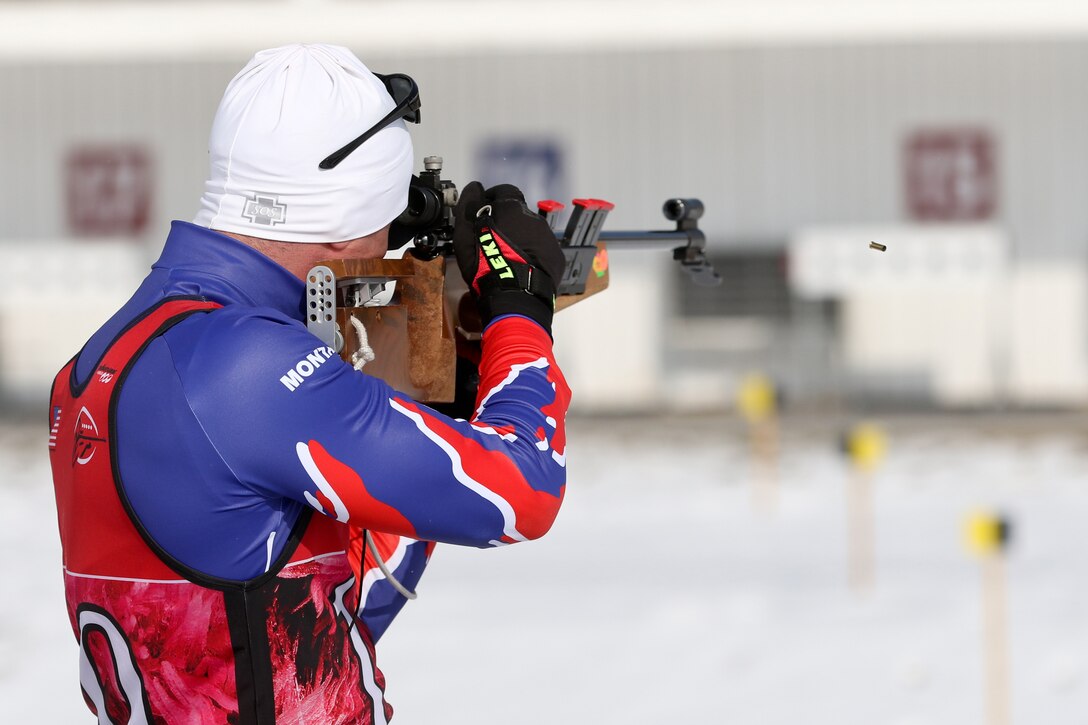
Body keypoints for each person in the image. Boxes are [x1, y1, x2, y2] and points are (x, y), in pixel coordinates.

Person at [48, 44, 570, 724]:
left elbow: (308, 624)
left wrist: (442, 393)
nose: (386, 244)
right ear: (342, 215)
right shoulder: (246, 367)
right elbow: (521, 489)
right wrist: (521, 309)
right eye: (385, 218)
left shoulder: (105, 360)